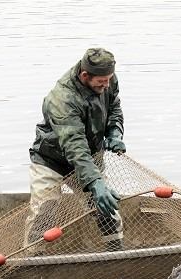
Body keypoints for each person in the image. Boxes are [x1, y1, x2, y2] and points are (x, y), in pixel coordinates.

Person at [26, 47, 125, 250]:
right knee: (44, 212)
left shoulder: (108, 79)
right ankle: (33, 260)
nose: (106, 85)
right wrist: (95, 182)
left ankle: (116, 251)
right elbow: (74, 146)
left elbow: (114, 107)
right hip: (51, 160)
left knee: (106, 207)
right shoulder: (62, 98)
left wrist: (115, 132)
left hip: (89, 156)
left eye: (109, 80)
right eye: (101, 82)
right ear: (84, 75)